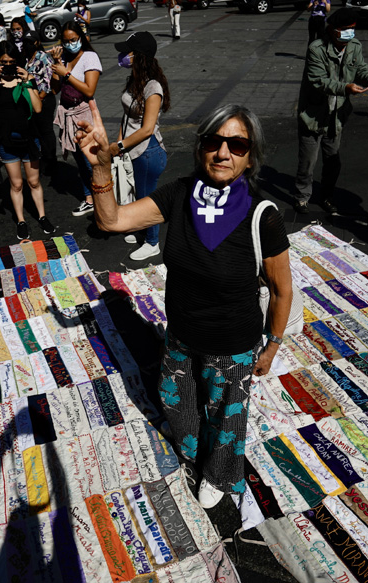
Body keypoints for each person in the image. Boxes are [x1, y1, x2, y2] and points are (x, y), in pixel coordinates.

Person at [76, 102, 293, 509]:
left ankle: (220, 474)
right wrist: (102, 166)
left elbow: (282, 290)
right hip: (180, 336)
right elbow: (112, 222)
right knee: (178, 404)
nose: (224, 153)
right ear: (200, 148)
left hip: (232, 344)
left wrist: (273, 343)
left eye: (238, 145)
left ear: (251, 157)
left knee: (227, 419)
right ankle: (194, 456)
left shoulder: (263, 216)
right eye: (214, 141)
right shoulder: (179, 194)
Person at [292, 8, 368, 215]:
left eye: (353, 29)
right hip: (313, 115)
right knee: (308, 162)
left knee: (333, 161)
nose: (350, 34)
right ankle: (302, 197)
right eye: (346, 30)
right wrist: (346, 87)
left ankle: (327, 196)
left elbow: (360, 69)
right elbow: (318, 81)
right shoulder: (317, 48)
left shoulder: (354, 46)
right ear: (333, 30)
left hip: (337, 115)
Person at [0, 41, 56, 240]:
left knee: (34, 181)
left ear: (18, 62)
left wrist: (27, 81)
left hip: (29, 138)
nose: (7, 65)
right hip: (7, 141)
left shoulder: (27, 79)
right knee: (16, 184)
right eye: (3, 62)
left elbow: (38, 108)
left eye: (12, 62)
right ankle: (21, 220)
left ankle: (42, 216)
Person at [112, 32, 170, 261]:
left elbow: (146, 129)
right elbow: (126, 117)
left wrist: (118, 146)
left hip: (148, 152)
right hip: (132, 149)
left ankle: (153, 242)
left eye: (128, 51)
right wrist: (119, 145)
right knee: (136, 192)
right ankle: (141, 228)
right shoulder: (135, 79)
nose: (123, 55)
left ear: (139, 56)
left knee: (148, 199)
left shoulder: (153, 87)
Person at [52, 22, 102, 217]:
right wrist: (57, 66)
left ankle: (103, 198)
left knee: (91, 161)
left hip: (84, 114)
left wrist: (67, 74)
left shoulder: (90, 57)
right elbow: (55, 88)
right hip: (67, 114)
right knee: (79, 160)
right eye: (65, 41)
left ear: (81, 37)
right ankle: (89, 198)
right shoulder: (64, 58)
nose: (70, 44)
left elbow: (89, 89)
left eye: (73, 40)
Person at [23, 31, 58, 172]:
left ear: (37, 43)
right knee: (36, 131)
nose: (26, 45)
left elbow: (48, 83)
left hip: (44, 100)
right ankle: (42, 157)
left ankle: (50, 159)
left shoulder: (43, 58)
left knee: (46, 130)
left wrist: (39, 99)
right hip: (33, 101)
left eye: (29, 42)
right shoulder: (28, 58)